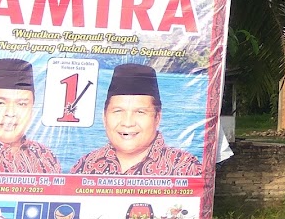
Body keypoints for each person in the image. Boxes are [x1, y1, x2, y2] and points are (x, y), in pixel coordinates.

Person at [69, 63, 203, 176]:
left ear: (157, 117)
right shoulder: (85, 165)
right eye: (118, 111)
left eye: (140, 112)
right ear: (104, 117)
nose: (127, 123)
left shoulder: (185, 167)